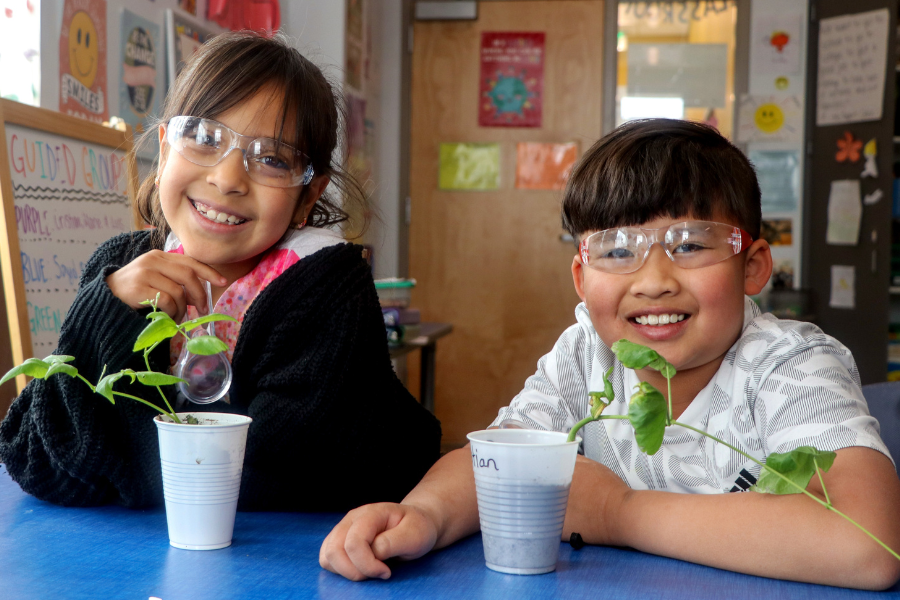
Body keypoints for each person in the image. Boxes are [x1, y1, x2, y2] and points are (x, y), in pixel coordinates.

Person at [319, 119, 900, 590]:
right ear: (580, 274)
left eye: (691, 245)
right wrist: (423, 516)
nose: (652, 281)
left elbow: (869, 544)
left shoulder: (790, 364)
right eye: (617, 251)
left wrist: (617, 513)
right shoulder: (586, 354)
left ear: (752, 266)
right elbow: (498, 457)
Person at [0, 32, 441, 511]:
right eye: (205, 138)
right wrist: (107, 313)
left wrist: (102, 456)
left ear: (308, 197)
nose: (228, 179)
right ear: (165, 149)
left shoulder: (329, 289)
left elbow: (266, 475)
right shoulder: (121, 270)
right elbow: (31, 456)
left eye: (270, 159)